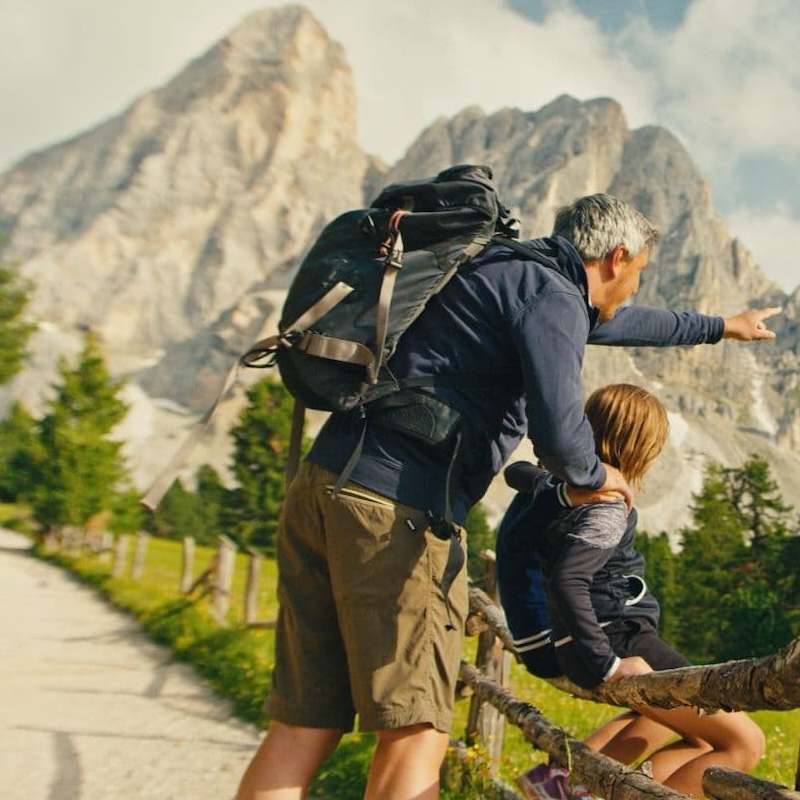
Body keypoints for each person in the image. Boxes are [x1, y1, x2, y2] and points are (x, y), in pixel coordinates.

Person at [235, 192, 778, 800]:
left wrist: (721, 327)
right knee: (416, 731)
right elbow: (560, 433)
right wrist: (599, 480)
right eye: (639, 274)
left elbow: (629, 323)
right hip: (395, 511)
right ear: (617, 257)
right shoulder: (551, 296)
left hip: (327, 480)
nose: (633, 289)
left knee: (302, 726)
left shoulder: (502, 271)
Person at [496, 383, 766, 800]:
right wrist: (606, 664)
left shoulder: (562, 484)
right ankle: (589, 788)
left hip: (610, 634)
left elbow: (516, 472)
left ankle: (566, 785)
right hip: (618, 637)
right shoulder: (605, 505)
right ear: (640, 447)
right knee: (745, 742)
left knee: (668, 718)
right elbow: (570, 580)